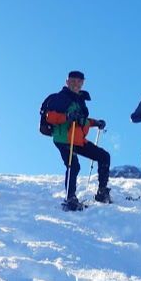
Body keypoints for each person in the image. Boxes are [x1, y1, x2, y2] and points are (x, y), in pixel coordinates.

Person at [43, 70, 110, 210]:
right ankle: (70, 198)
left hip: (78, 139)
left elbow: (82, 120)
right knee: (73, 165)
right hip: (64, 139)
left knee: (104, 156)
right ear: (67, 82)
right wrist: (67, 117)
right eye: (73, 81)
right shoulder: (60, 97)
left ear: (83, 83)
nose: (76, 84)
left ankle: (102, 192)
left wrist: (95, 123)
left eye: (79, 81)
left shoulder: (79, 99)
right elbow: (50, 117)